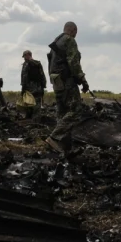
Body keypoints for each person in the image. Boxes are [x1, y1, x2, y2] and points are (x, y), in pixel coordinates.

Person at [46, 21, 89, 154]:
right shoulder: (69, 40)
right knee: (76, 110)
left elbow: (50, 61)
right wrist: (82, 79)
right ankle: (54, 137)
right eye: (76, 32)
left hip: (56, 80)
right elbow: (73, 62)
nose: (76, 35)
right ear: (73, 30)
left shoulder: (56, 41)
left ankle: (65, 146)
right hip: (66, 80)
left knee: (62, 112)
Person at [20, 50, 47, 117]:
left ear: (28, 55)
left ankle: (32, 123)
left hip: (29, 89)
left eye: (24, 56)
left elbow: (24, 78)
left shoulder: (26, 64)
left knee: (29, 105)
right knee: (36, 106)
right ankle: (36, 122)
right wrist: (43, 86)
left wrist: (23, 88)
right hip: (38, 88)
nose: (24, 58)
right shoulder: (37, 63)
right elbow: (42, 75)